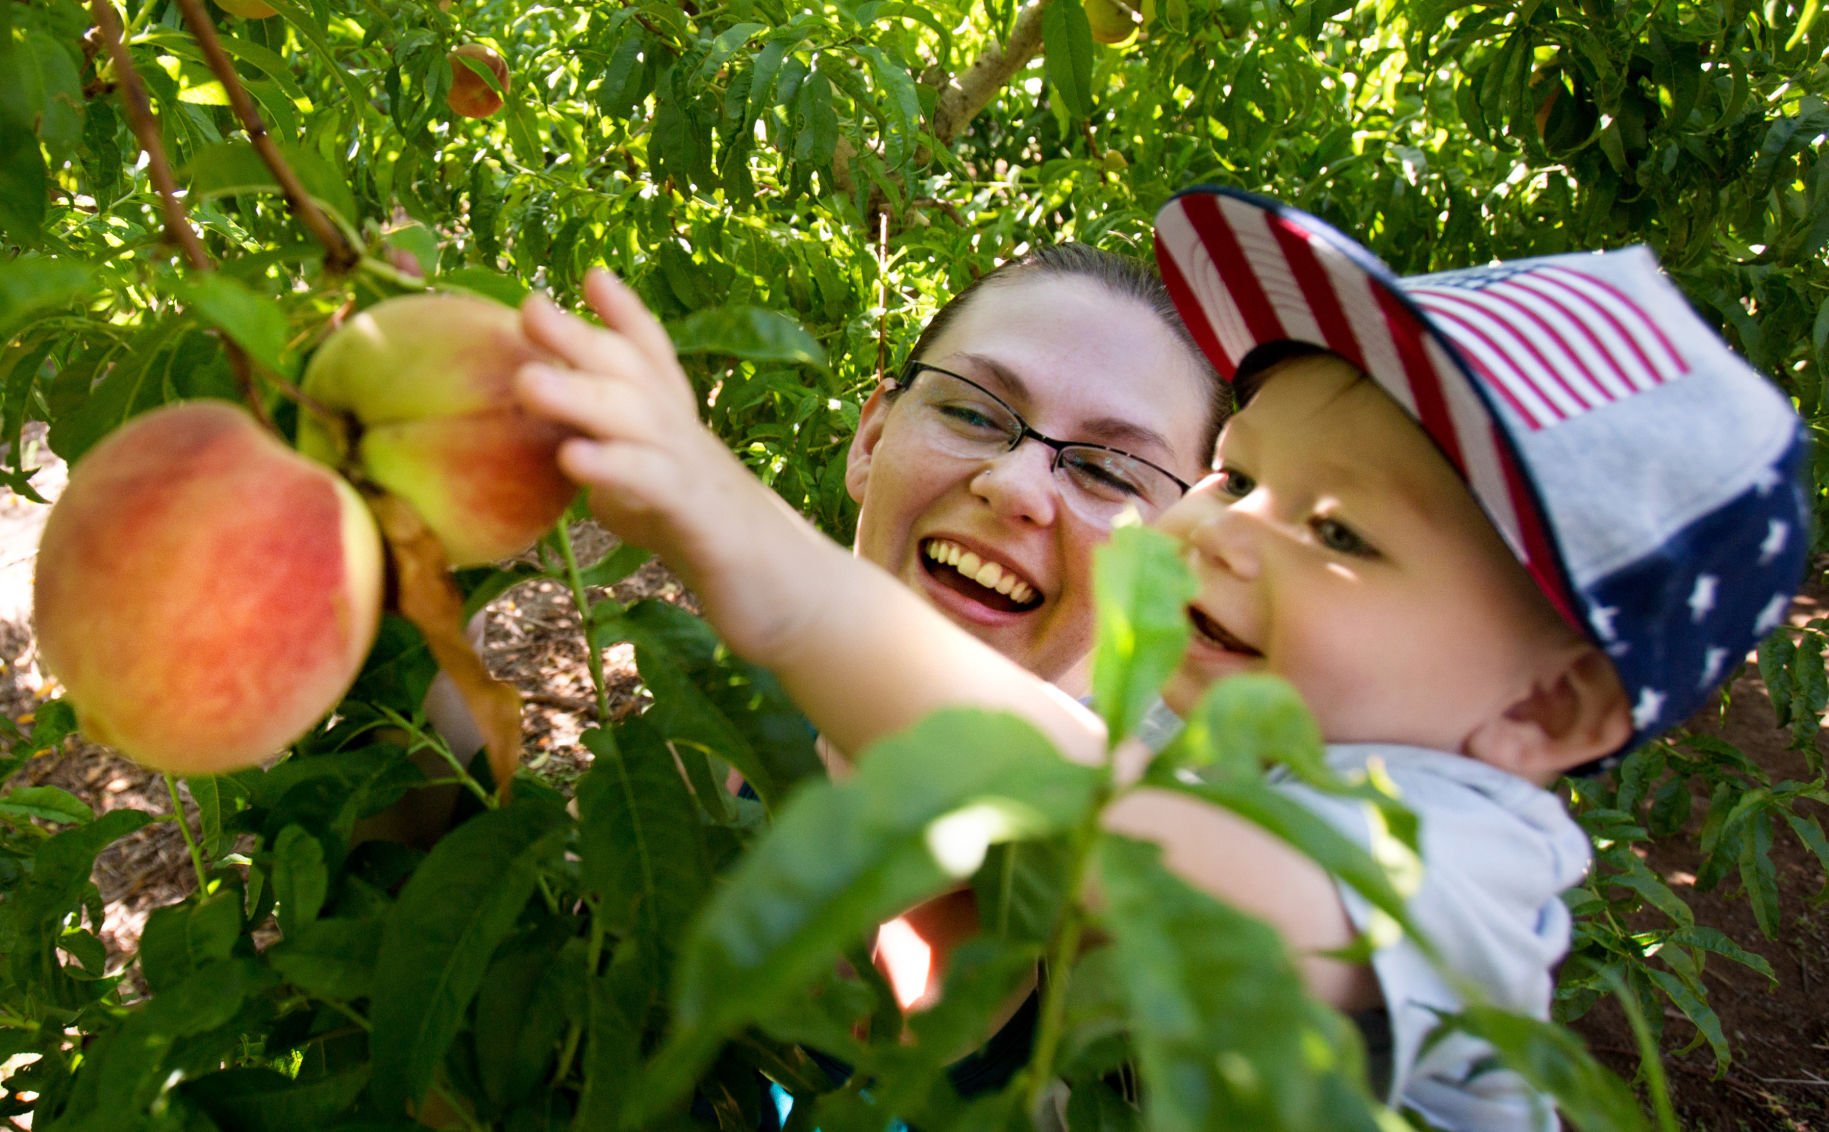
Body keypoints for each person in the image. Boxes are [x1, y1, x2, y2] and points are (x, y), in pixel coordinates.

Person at [513, 184, 1810, 1128]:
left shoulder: (1456, 852)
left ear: (1543, 702)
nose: (1228, 530)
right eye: (1239, 471)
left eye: (1339, 529)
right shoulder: (1188, 738)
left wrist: (764, 564)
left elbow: (1106, 828)